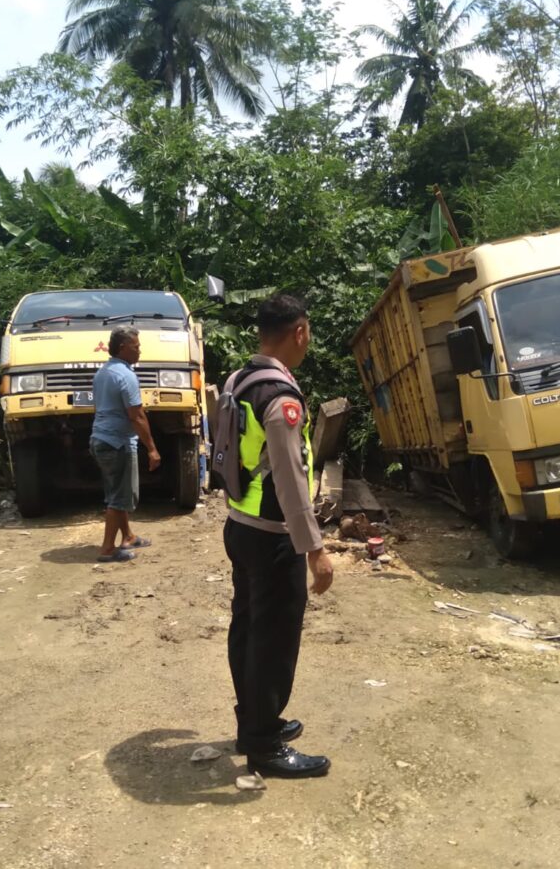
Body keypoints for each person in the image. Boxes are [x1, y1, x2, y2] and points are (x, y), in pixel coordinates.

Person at [223, 294, 335, 779]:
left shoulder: (239, 379)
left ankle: (253, 722)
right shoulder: (281, 398)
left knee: (248, 628)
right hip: (273, 537)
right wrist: (314, 549)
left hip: (240, 525)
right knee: (273, 640)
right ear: (300, 332)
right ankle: (265, 746)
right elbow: (290, 479)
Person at [89, 326, 161, 562]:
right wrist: (151, 448)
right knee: (119, 498)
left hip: (99, 439)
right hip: (117, 443)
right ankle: (108, 549)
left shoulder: (103, 372)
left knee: (115, 492)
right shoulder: (126, 375)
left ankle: (128, 536)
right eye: (136, 346)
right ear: (123, 347)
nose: (140, 351)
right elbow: (137, 415)